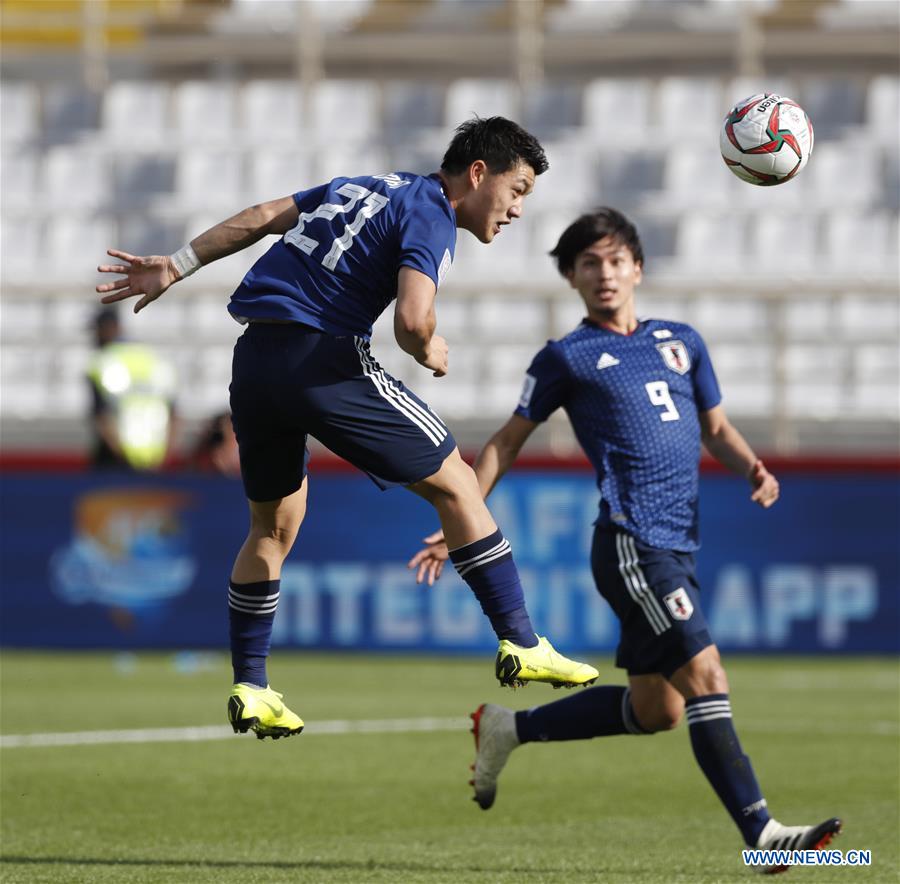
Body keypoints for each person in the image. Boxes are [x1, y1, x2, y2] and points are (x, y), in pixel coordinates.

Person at [96, 117, 599, 742]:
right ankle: (522, 643)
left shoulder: (359, 185)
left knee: (273, 526)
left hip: (255, 361)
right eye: (517, 189)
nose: (518, 208)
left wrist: (176, 264)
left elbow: (260, 215)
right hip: (324, 359)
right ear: (477, 174)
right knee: (459, 483)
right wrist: (430, 350)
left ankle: (251, 685)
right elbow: (412, 322)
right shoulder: (433, 212)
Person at [408, 209, 841, 872]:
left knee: (657, 709)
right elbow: (506, 441)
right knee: (706, 674)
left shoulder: (683, 341)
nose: (604, 274)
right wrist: (459, 513)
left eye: (615, 261)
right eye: (589, 264)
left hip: (678, 543)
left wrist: (752, 465)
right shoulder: (565, 356)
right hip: (632, 541)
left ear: (637, 267)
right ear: (572, 278)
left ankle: (508, 727)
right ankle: (761, 832)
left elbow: (715, 427)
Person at [86, 306, 178, 470]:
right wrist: (166, 455)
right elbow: (174, 414)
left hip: (115, 459)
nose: (94, 337)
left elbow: (101, 416)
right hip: (156, 459)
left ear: (107, 329)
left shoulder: (101, 362)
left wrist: (121, 455)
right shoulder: (154, 359)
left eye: (97, 330)